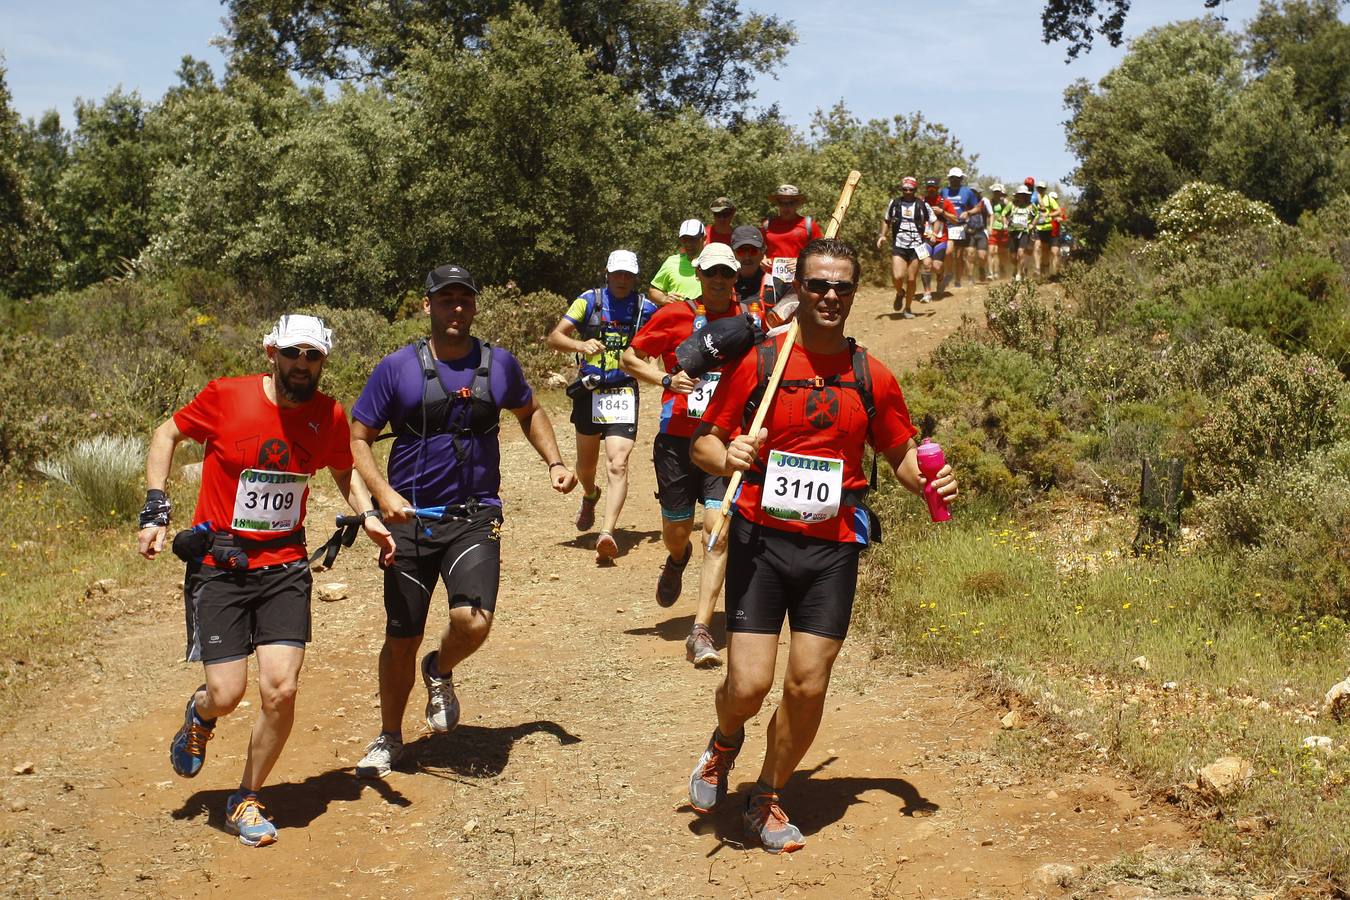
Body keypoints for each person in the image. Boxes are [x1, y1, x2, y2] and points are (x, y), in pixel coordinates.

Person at [686, 237, 958, 853]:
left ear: (854, 293)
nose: (830, 296)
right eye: (817, 285)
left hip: (832, 547)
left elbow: (901, 454)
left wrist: (930, 479)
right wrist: (725, 453)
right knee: (750, 686)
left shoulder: (872, 375)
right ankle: (725, 740)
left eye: (841, 286)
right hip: (760, 539)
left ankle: (766, 795)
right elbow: (703, 440)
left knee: (808, 685)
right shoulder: (761, 363)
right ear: (797, 290)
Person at [138, 314, 395, 847]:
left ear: (323, 361)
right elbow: (166, 434)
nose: (302, 365)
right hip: (222, 567)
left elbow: (343, 470)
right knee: (226, 693)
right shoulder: (225, 396)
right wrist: (156, 507)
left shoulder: (328, 413)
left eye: (314, 356)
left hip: (284, 566)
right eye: (293, 353)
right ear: (270, 352)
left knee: (281, 689)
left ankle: (246, 796)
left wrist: (366, 513)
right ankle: (200, 713)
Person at [349, 264, 577, 779]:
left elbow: (530, 411)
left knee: (473, 622)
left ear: (474, 307)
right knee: (401, 635)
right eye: (445, 299)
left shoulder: (499, 365)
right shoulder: (397, 368)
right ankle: (389, 736)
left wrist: (556, 462)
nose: (456, 308)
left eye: (464, 300)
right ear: (427, 306)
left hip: (474, 515)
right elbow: (358, 436)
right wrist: (381, 494)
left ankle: (440, 669)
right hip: (408, 519)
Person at [622, 243, 759, 669]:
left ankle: (700, 630)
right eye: (711, 273)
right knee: (677, 529)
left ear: (736, 277)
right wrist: (665, 377)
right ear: (698, 273)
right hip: (677, 440)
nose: (719, 280)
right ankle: (676, 559)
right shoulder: (675, 316)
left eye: (727, 274)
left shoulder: (752, 319)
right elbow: (629, 356)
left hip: (724, 441)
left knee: (715, 534)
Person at [547, 250, 657, 561]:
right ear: (606, 273)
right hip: (589, 390)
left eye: (628, 275)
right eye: (617, 273)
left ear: (635, 278)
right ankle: (589, 494)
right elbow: (555, 337)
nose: (622, 280)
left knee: (618, 463)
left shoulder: (645, 309)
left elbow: (666, 339)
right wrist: (580, 344)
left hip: (623, 391)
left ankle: (607, 532)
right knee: (586, 466)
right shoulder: (589, 300)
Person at [876, 175, 930, 319]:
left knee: (912, 279)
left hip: (917, 245)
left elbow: (934, 220)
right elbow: (886, 220)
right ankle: (900, 292)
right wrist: (882, 235)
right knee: (897, 276)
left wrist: (933, 233)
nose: (907, 192)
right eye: (904, 189)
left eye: (910, 189)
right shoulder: (895, 203)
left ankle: (908, 308)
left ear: (915, 190)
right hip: (899, 244)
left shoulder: (921, 205)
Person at [761, 184, 824, 284]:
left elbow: (820, 252)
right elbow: (759, 250)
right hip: (772, 278)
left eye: (791, 203)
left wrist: (801, 262)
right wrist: (762, 259)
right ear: (778, 204)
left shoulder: (809, 225)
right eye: (782, 203)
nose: (786, 207)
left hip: (800, 277)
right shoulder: (767, 225)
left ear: (797, 204)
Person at [649, 220, 705, 306]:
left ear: (704, 238)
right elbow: (653, 290)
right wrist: (664, 299)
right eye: (684, 240)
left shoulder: (713, 263)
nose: (688, 244)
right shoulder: (671, 262)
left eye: (693, 239)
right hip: (677, 317)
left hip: (705, 317)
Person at [939, 167, 979, 289]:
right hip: (947, 225)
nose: (954, 180)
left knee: (959, 256)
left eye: (957, 178)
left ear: (961, 179)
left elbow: (977, 207)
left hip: (961, 226)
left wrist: (969, 213)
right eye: (952, 178)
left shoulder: (967, 192)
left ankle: (957, 280)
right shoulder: (943, 192)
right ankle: (949, 273)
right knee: (948, 252)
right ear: (949, 179)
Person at [920, 177, 956, 302]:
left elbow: (955, 219)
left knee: (937, 266)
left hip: (941, 239)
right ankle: (927, 293)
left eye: (933, 188)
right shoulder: (921, 201)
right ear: (926, 188)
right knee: (926, 264)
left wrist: (943, 212)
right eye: (929, 188)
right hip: (924, 239)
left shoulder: (944, 202)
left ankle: (940, 277)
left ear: (937, 188)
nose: (931, 190)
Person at [731, 225, 770, 309]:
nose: (747, 257)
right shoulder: (723, 286)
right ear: (732, 253)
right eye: (741, 251)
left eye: (753, 251)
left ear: (763, 251)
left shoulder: (775, 286)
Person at [1008, 185, 1038, 282]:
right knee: (1013, 256)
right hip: (1013, 231)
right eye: (1020, 194)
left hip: (1025, 232)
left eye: (1023, 195)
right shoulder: (1011, 205)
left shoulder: (1030, 206)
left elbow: (1037, 215)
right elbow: (1004, 214)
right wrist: (1005, 223)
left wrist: (1032, 225)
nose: (1022, 196)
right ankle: (1015, 269)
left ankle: (1019, 274)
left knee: (1021, 253)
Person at [965, 184, 991, 284]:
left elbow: (990, 214)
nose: (973, 193)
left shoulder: (983, 202)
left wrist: (989, 227)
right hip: (969, 231)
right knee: (970, 255)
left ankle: (981, 268)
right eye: (971, 191)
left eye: (974, 191)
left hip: (981, 231)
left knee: (982, 256)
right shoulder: (965, 202)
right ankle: (970, 277)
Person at [1034, 181, 1060, 278]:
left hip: (1048, 227)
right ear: (1037, 189)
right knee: (1037, 247)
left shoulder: (1049, 199)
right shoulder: (1033, 199)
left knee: (1045, 250)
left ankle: (1045, 269)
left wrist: (1048, 215)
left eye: (1042, 188)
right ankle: (1037, 270)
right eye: (1039, 188)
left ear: (1045, 189)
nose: (1040, 190)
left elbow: (1058, 211)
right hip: (1037, 227)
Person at [987, 184, 1011, 280]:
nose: (997, 194)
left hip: (1003, 230)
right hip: (993, 229)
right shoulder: (990, 202)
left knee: (1000, 252)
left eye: (998, 192)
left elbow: (1010, 214)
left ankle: (997, 271)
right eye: (995, 192)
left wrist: (1007, 224)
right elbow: (987, 215)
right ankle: (990, 273)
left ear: (1001, 193)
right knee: (991, 251)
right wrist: (988, 226)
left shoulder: (1005, 202)